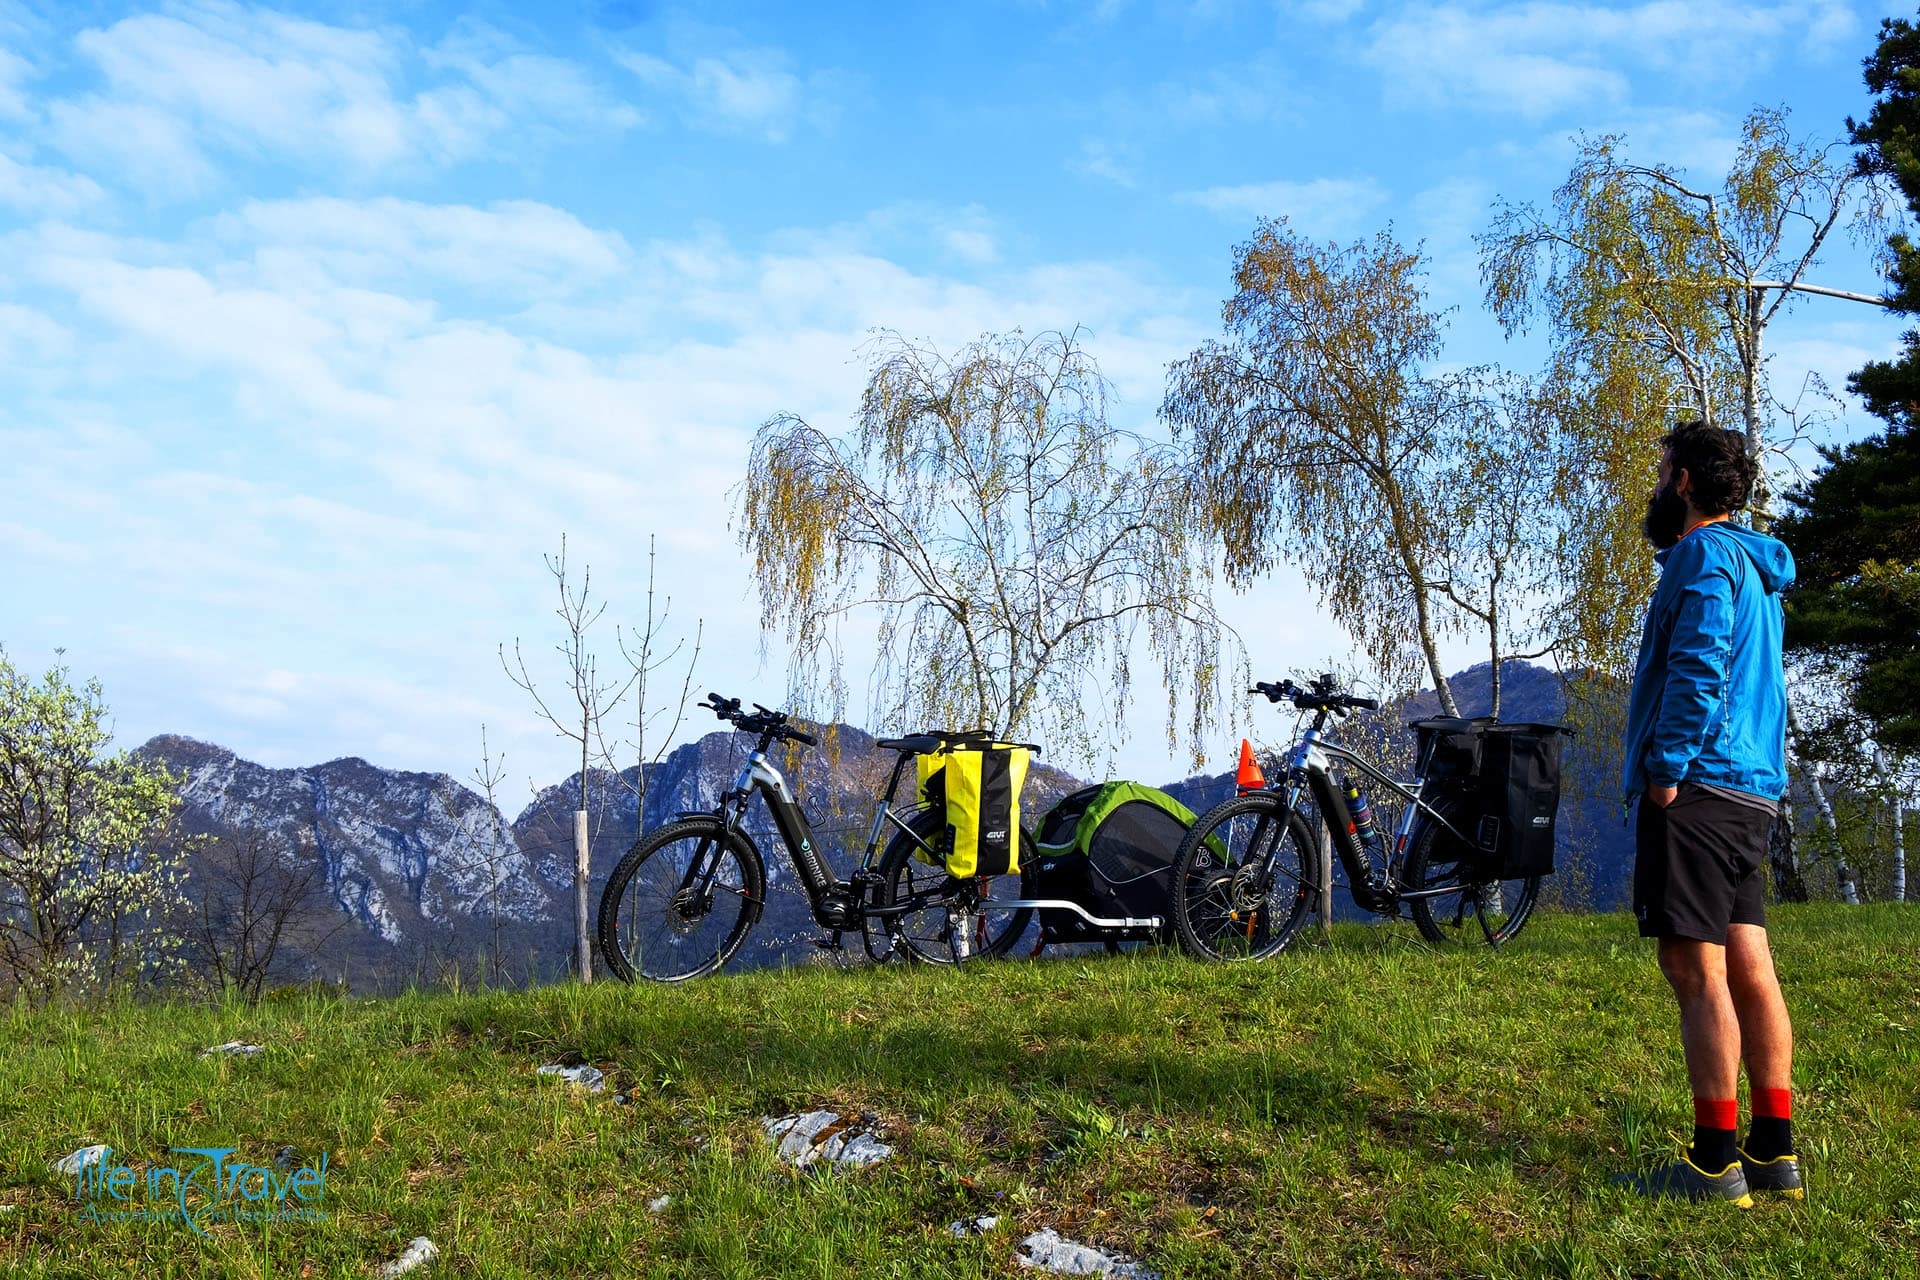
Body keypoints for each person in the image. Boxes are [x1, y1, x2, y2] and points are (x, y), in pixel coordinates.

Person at [1615, 420, 1802, 1206]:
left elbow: (1699, 661)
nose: (1658, 485)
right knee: (1749, 963)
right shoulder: (1760, 571)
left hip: (1701, 784)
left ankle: (1713, 1162)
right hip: (1754, 787)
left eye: (1664, 472)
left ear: (1685, 481)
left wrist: (1665, 771)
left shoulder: (1699, 555)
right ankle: (1775, 1155)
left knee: (1695, 970)